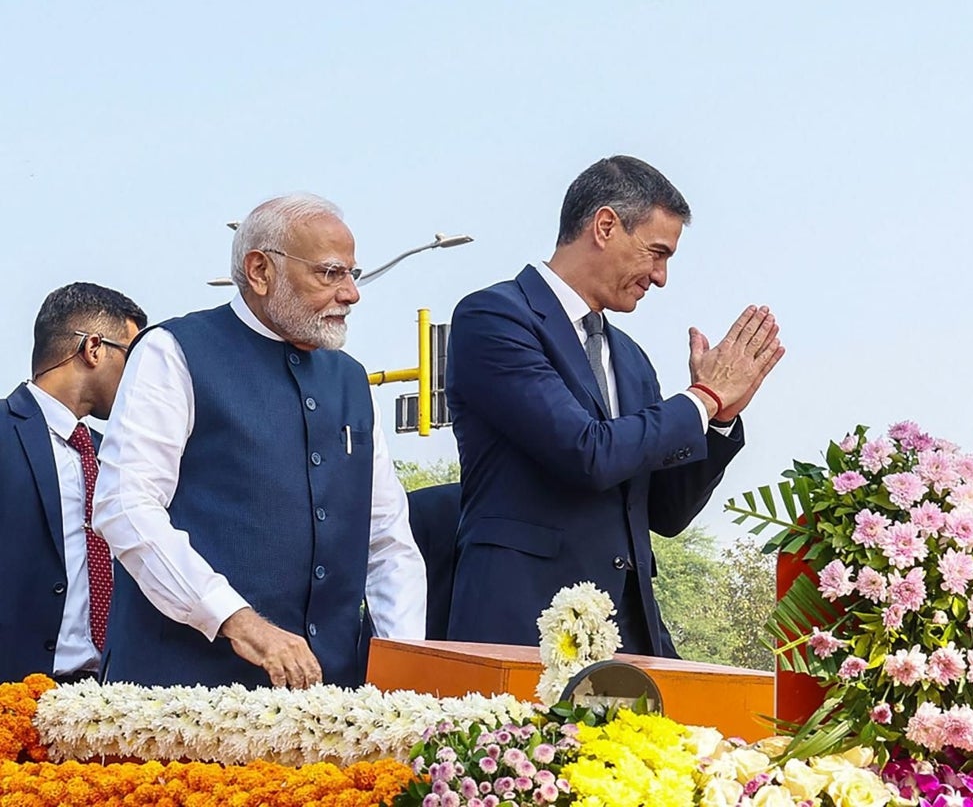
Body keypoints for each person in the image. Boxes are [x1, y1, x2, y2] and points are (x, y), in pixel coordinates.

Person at [445, 155, 784, 656]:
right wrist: (703, 397)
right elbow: (587, 453)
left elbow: (664, 512)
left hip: (629, 636)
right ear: (605, 226)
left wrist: (719, 418)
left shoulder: (629, 358)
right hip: (520, 629)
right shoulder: (495, 318)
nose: (662, 277)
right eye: (656, 253)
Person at [94, 193, 426, 689]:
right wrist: (238, 621)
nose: (352, 293)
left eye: (353, 274)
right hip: (183, 701)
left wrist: (403, 679)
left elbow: (388, 542)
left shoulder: (350, 380)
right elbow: (126, 507)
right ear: (259, 270)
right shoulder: (174, 352)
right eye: (331, 273)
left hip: (326, 706)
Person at [0, 282, 146, 683]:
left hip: (103, 696)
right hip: (13, 696)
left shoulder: (112, 456)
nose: (140, 378)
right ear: (94, 348)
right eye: (132, 358)